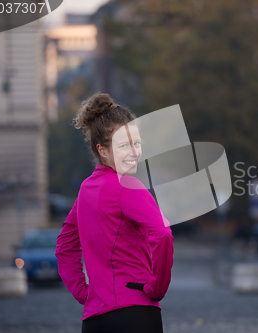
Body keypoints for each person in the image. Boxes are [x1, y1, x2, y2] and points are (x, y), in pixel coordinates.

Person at [55, 93, 174, 333]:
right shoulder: (128, 186)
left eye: (136, 143)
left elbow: (64, 248)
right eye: (123, 145)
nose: (133, 152)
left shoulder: (85, 191)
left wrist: (84, 293)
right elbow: (163, 234)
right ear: (103, 150)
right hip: (135, 313)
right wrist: (157, 288)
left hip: (94, 320)